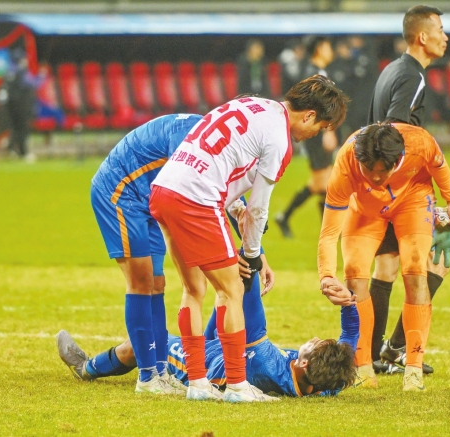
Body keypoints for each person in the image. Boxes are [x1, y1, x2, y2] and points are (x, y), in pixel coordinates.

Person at [149, 75, 349, 402]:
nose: (316, 133)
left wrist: (236, 211)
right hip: (197, 199)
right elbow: (259, 208)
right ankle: (238, 386)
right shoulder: (280, 140)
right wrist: (253, 254)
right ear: (309, 115)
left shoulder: (251, 104)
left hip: (164, 188)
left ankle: (198, 384)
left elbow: (222, 166)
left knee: (193, 289)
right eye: (321, 126)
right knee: (231, 290)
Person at [56, 260, 359, 398]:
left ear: (303, 362)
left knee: (143, 344)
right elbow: (349, 342)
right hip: (225, 348)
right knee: (227, 295)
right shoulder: (326, 384)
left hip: (203, 364)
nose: (314, 339)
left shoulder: (268, 362)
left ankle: (87, 368)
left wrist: (254, 253)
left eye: (313, 345)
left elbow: (250, 291)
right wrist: (349, 302)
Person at [318, 122, 450, 392]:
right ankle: (363, 368)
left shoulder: (420, 143)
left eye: (382, 171)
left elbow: (439, 165)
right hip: (364, 210)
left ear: (398, 160)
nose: (375, 177)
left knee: (415, 271)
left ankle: (413, 370)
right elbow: (329, 232)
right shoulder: (346, 162)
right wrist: (326, 275)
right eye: (368, 169)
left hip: (413, 200)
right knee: (354, 273)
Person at [90, 113, 203, 395]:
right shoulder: (187, 132)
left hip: (149, 198)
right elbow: (188, 188)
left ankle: (160, 371)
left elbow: (229, 193)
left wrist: (255, 250)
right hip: (120, 191)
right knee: (141, 281)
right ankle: (148, 376)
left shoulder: (211, 137)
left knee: (157, 282)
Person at [366, 5, 450, 375]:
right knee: (438, 261)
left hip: (380, 186)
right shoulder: (412, 76)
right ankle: (396, 348)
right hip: (401, 190)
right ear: (422, 36)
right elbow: (394, 132)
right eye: (440, 30)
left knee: (386, 266)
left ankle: (374, 354)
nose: (445, 37)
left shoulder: (392, 70)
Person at [275, 37, 339, 238]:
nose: (331, 51)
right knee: (322, 183)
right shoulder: (315, 74)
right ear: (319, 49)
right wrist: (328, 131)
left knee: (324, 182)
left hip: (317, 132)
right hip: (316, 134)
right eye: (328, 46)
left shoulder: (316, 71)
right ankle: (289, 218)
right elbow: (316, 107)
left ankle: (324, 228)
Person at [0, 48, 41, 161]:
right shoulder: (21, 71)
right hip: (20, 105)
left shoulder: (8, 70)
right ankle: (24, 153)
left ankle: (11, 148)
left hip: (10, 105)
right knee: (22, 128)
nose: (26, 60)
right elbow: (32, 84)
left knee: (15, 127)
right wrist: (41, 76)